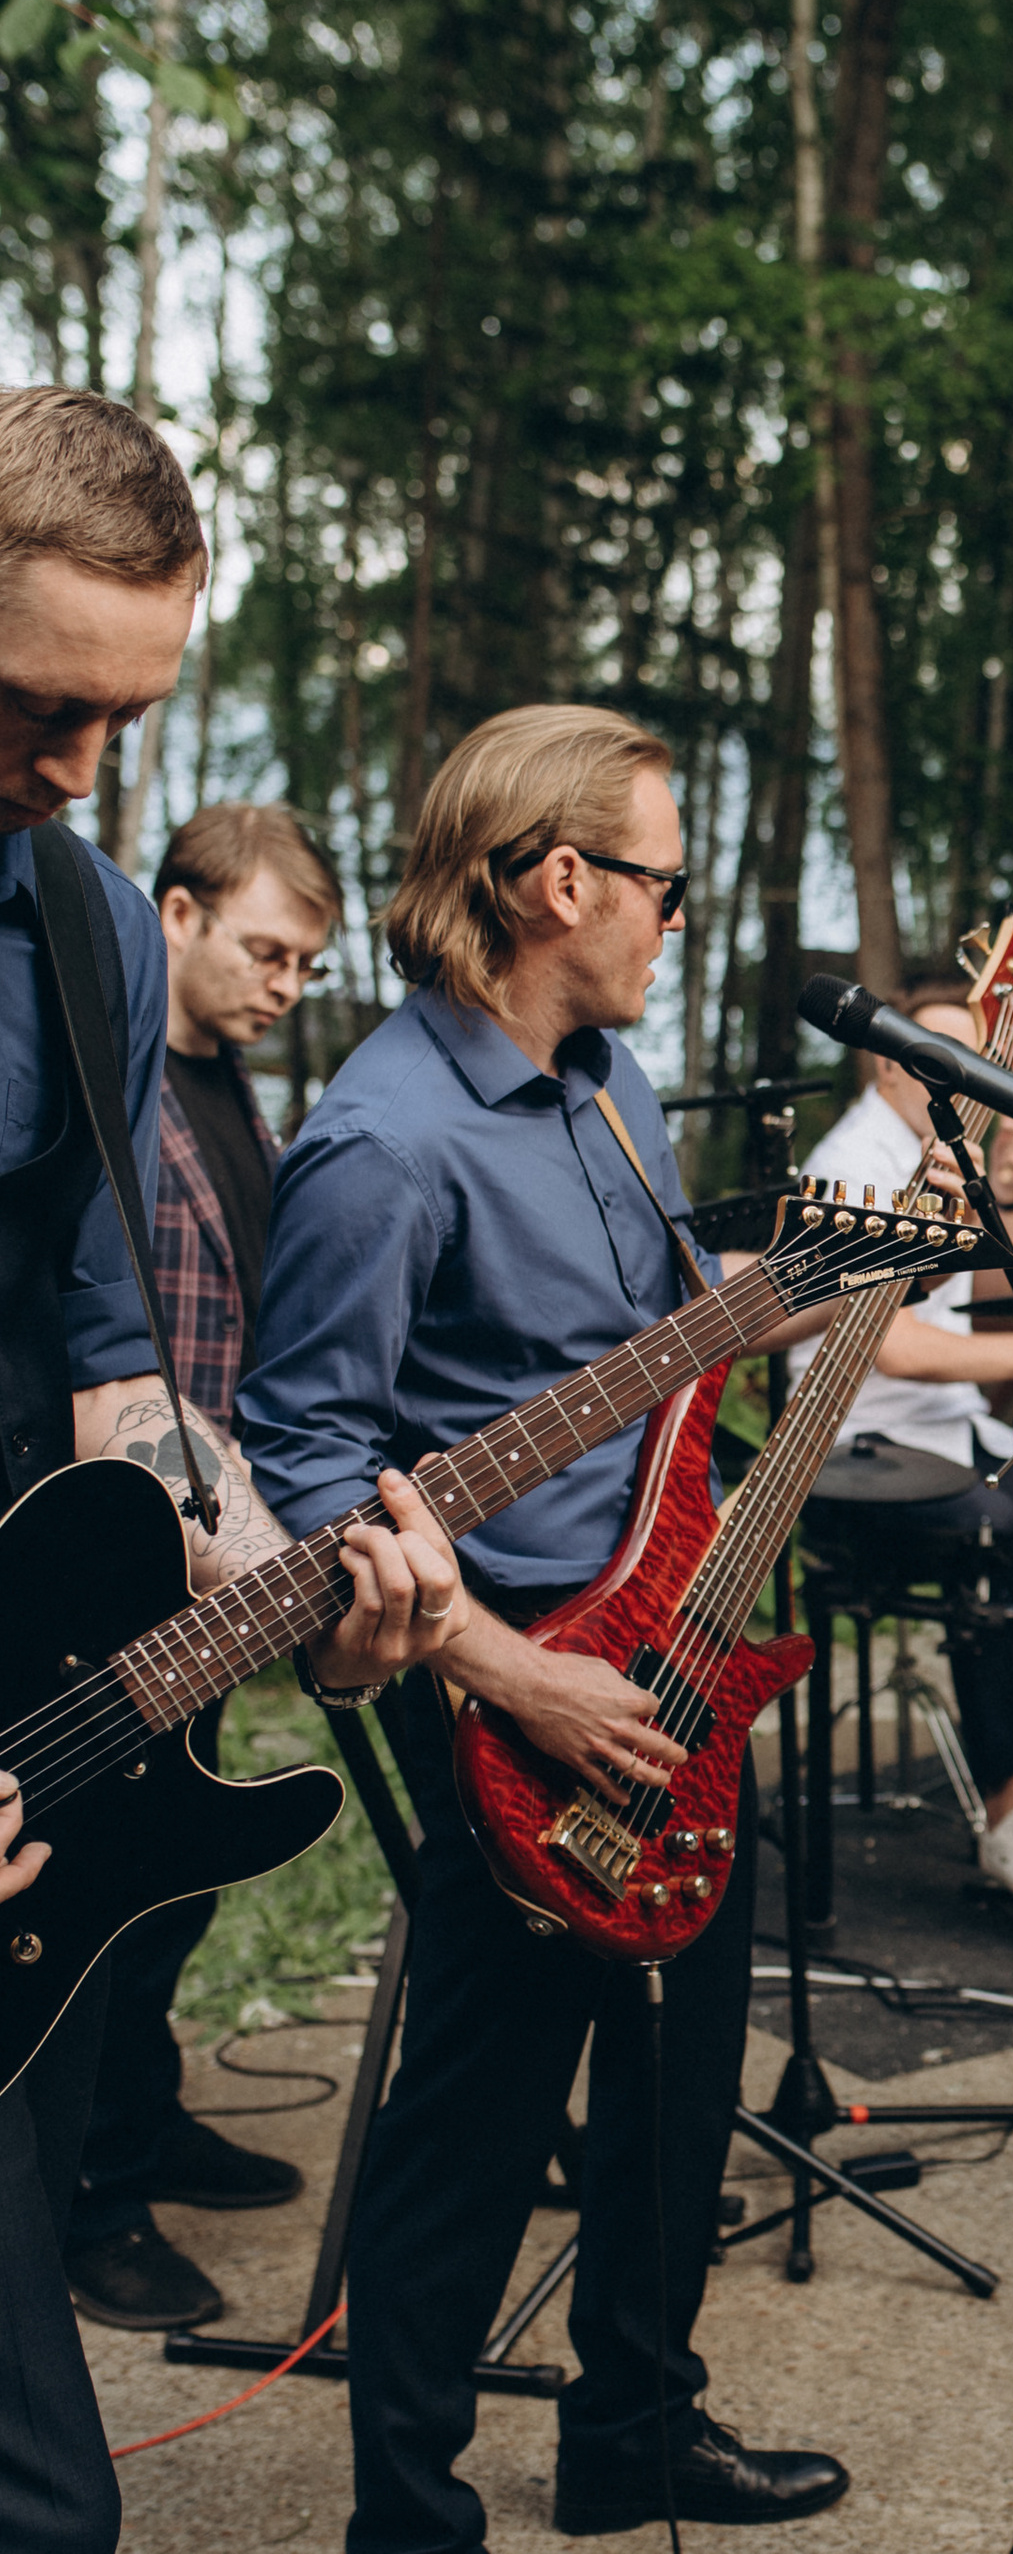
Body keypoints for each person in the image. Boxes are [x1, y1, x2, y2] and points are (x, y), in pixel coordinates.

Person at [237, 704, 850, 2550]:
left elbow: (644, 1369)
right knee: (476, 2125)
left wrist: (838, 1266)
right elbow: (308, 1484)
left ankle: (634, 2433)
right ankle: (408, 2516)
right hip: (499, 1698)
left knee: (679, 2081)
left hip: (674, 1673)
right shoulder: (383, 1142)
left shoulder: (606, 1085)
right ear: (559, 880)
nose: (679, 917)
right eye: (662, 880)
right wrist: (517, 1678)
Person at [0, 386, 463, 2554]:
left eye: (124, 715)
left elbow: (112, 1369)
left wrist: (283, 1572)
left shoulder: (86, 923)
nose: (77, 769)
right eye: (31, 703)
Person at [66, 800, 342, 2335]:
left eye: (305, 964)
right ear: (171, 915)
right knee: (106, 1888)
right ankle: (92, 2205)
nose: (284, 984)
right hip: (111, 1557)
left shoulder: (235, 1095)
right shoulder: (113, 1098)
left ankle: (148, 2117)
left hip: (216, 1555)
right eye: (262, 949)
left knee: (173, 1887)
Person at [789, 979, 1013, 1898]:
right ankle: (1012, 1809)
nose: (974, 1076)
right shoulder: (856, 1161)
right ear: (890, 1062)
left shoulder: (940, 1156)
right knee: (996, 1522)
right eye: (949, 1057)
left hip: (949, 1434)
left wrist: (1001, 1193)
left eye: (979, 1057)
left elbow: (981, 1339)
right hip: (855, 1447)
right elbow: (888, 1346)